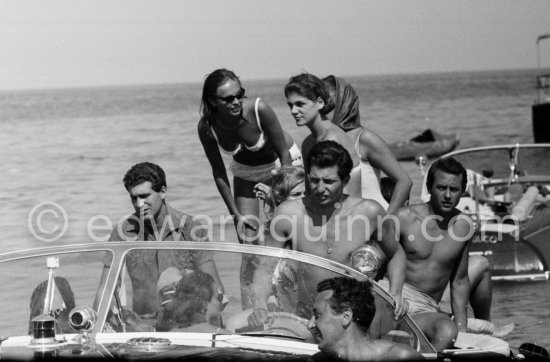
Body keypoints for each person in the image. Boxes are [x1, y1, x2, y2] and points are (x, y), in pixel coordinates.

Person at [249, 141, 407, 326]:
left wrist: (395, 292)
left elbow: (395, 253)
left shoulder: (369, 212)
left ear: (346, 181)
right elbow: (265, 267)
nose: (320, 188)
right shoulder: (288, 214)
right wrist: (259, 305)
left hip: (353, 316)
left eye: (329, 181)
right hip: (307, 314)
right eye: (314, 180)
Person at [198, 69, 301, 309]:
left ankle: (292, 302)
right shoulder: (207, 127)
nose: (236, 101)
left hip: (282, 166)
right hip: (246, 171)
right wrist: (235, 213)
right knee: (248, 241)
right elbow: (218, 172)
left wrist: (279, 198)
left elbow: (285, 155)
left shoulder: (258, 108)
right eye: (228, 98)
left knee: (286, 233)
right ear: (213, 101)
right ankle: (252, 310)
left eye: (239, 95)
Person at [108, 162, 225, 319]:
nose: (139, 204)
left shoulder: (191, 228)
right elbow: (106, 288)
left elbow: (216, 291)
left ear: (162, 192)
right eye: (134, 198)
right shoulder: (123, 232)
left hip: (186, 322)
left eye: (144, 196)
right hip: (143, 326)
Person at [387, 157, 473, 351]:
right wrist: (392, 294)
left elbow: (459, 281)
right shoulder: (404, 218)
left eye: (454, 189)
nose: (448, 195)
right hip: (391, 296)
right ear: (429, 186)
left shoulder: (464, 226)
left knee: (447, 331)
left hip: (424, 308)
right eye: (441, 188)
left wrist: (462, 328)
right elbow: (375, 265)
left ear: (463, 191)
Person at [323, 75, 412, 214]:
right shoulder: (321, 140)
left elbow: (404, 181)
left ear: (344, 104)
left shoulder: (365, 139)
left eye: (328, 106)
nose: (322, 111)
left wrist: (386, 221)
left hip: (373, 222)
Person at [284, 73, 362, 197]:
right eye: (290, 105)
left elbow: (342, 195)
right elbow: (310, 192)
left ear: (320, 102)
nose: (293, 111)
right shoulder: (308, 143)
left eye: (300, 104)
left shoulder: (332, 139)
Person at [309, 277, 424, 361]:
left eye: (318, 316)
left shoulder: (400, 358)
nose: (310, 325)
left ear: (346, 317)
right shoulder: (318, 360)